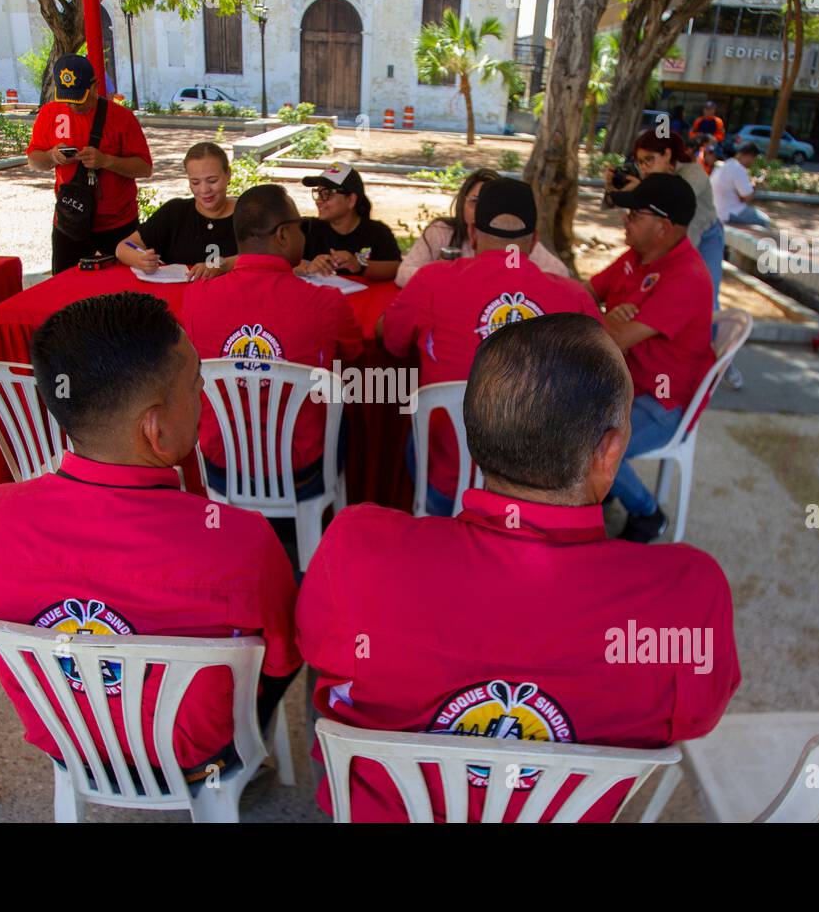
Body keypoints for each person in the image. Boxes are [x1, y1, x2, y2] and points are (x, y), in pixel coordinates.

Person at [297, 312, 740, 823]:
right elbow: (698, 715)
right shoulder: (689, 597)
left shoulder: (356, 549)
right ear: (610, 450)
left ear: (474, 433)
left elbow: (315, 648)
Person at [0, 292, 300, 782]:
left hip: (67, 745)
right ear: (155, 431)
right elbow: (281, 656)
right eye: (197, 387)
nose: (203, 402)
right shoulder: (240, 541)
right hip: (197, 757)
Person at [382, 177, 601, 516]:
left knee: (417, 437)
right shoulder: (574, 298)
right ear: (533, 242)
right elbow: (600, 384)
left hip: (449, 487)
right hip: (539, 496)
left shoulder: (430, 281)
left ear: (472, 235)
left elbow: (393, 344)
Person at [182, 184, 364, 494]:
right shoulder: (326, 303)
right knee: (345, 414)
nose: (304, 236)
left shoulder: (196, 297)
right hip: (299, 473)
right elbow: (355, 353)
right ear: (282, 235)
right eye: (300, 228)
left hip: (221, 466)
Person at [586, 173, 716, 542]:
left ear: (664, 227)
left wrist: (605, 322)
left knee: (586, 446)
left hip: (663, 403)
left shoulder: (686, 276)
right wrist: (604, 319)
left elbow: (617, 338)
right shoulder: (637, 258)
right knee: (560, 416)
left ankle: (647, 514)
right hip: (623, 387)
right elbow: (585, 294)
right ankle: (604, 490)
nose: (624, 221)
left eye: (634, 216)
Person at [26, 54, 154, 275]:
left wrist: (106, 161)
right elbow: (34, 161)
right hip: (70, 220)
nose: (74, 106)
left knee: (123, 291)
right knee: (65, 289)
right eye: (68, 99)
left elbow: (144, 168)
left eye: (81, 98)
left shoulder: (122, 117)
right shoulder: (49, 113)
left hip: (118, 224)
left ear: (94, 87)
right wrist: (52, 156)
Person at [608, 129, 724, 308]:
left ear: (667, 153)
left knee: (707, 298)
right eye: (640, 162)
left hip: (707, 235)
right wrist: (615, 189)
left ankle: (711, 336)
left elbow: (676, 202)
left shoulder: (693, 173)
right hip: (672, 239)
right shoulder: (652, 180)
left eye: (649, 159)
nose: (644, 167)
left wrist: (641, 190)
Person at [395, 168, 568, 287]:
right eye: (475, 202)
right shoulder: (441, 232)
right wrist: (443, 276)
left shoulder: (516, 243)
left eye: (489, 204)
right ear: (462, 203)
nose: (481, 211)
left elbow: (559, 274)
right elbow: (403, 274)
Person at [115, 141, 238, 281]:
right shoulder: (175, 212)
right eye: (195, 182)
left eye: (212, 180)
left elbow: (266, 256)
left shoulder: (248, 213)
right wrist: (139, 259)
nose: (204, 190)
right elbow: (123, 247)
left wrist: (223, 264)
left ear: (228, 175)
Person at [297, 162, 401, 282]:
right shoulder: (307, 229)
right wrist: (308, 268)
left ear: (351, 200)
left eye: (327, 194)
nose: (319, 201)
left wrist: (359, 265)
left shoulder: (378, 232)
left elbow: (395, 267)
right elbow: (284, 263)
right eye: (318, 193)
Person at [710, 141, 771, 229]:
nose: (753, 162)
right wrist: (755, 184)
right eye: (754, 159)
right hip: (728, 212)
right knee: (765, 221)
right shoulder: (738, 168)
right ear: (749, 156)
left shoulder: (723, 165)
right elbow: (747, 197)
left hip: (717, 210)